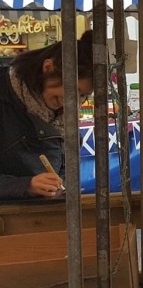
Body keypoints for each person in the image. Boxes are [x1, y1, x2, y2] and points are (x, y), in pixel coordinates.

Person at [0, 32, 95, 200]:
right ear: (48, 68)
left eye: (82, 96)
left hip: (45, 217)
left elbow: (64, 169)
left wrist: (60, 184)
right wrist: (26, 185)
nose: (71, 103)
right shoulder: (6, 95)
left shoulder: (62, 118)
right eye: (73, 92)